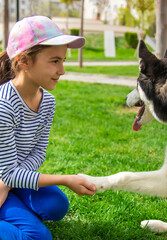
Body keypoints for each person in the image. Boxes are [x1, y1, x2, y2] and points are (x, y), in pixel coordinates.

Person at [0, 15, 96, 240]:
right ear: (24, 61)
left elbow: (38, 152)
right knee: (38, 237)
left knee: (57, 205)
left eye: (63, 60)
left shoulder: (48, 102)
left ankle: (12, 202)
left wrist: (8, 183)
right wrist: (65, 178)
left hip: (8, 178)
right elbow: (9, 171)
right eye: (54, 61)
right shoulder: (4, 105)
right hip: (7, 175)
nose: (62, 70)